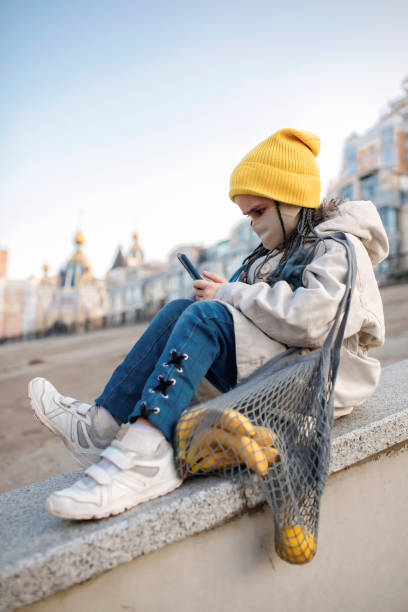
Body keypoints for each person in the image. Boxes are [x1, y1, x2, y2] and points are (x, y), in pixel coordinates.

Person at [29, 128, 389, 521]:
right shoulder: (272, 253)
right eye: (246, 215)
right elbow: (256, 314)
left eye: (258, 211)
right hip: (288, 365)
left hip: (323, 379)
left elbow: (314, 319)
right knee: (179, 310)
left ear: (293, 201)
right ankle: (99, 428)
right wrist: (224, 290)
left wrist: (227, 295)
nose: (252, 224)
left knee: (206, 316)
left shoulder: (338, 246)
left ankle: (146, 455)